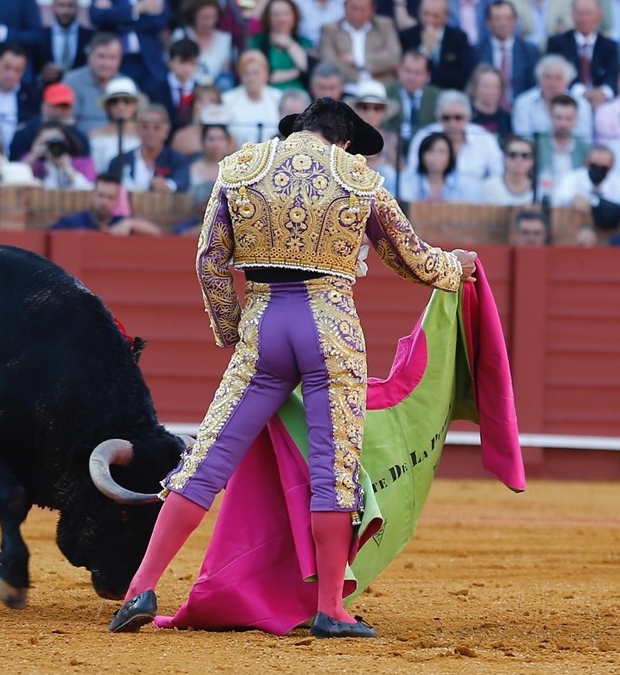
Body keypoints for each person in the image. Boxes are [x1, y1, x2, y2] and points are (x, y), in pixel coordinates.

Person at [107, 96, 476, 637]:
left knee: (207, 459)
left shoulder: (241, 168)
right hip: (330, 326)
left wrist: (233, 332)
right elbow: (410, 258)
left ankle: (140, 588)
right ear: (345, 139)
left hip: (264, 323)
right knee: (334, 468)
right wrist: (456, 267)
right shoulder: (358, 177)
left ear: (298, 130)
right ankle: (331, 607)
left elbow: (210, 259)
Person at [405, 90, 504, 197]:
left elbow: (497, 176)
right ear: (438, 118)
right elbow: (412, 175)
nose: (452, 123)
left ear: (468, 117)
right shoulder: (424, 136)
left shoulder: (484, 138)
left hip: (475, 204)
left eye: (458, 117)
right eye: (446, 118)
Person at [544, 0, 619, 108]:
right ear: (572, 15)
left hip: (602, 104)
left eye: (588, 13)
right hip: (567, 104)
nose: (584, 19)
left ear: (599, 16)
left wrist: (603, 93)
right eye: (580, 13)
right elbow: (555, 75)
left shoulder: (610, 45)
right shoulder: (557, 43)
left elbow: (612, 74)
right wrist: (583, 93)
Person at [107, 104, 191, 193]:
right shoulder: (119, 161)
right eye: (145, 127)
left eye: (157, 127)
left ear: (166, 131)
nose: (150, 132)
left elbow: (182, 181)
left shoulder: (178, 159)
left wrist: (168, 185)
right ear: (137, 129)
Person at [510, 54, 594, 141]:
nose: (553, 84)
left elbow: (584, 141)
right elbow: (523, 139)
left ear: (567, 82)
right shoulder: (524, 103)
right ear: (539, 80)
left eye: (558, 78)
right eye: (548, 77)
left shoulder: (581, 105)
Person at [317, 0, 401, 86]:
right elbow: (329, 62)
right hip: (346, 86)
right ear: (345, 6)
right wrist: (360, 76)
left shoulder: (385, 26)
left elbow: (394, 58)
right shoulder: (330, 30)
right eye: (353, 8)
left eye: (362, 9)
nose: (357, 14)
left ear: (372, 9)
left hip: (383, 85)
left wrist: (358, 59)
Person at [475, 0, 540, 109]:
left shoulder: (529, 51)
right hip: (488, 112)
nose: (503, 24)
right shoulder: (477, 51)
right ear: (488, 23)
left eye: (507, 18)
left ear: (515, 21)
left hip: (521, 109)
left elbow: (533, 86)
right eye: (497, 19)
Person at [399, 0, 476, 90]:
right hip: (416, 91)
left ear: (446, 16)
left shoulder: (459, 38)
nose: (429, 20)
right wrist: (425, 50)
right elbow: (406, 70)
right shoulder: (407, 36)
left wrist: (432, 78)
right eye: (426, 14)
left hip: (448, 92)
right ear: (419, 13)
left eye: (435, 16)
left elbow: (464, 74)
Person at [49, 172, 161, 235]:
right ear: (91, 196)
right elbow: (53, 235)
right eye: (101, 195)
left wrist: (130, 224)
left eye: (110, 198)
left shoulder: (120, 222)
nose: (104, 202)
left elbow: (156, 233)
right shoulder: (73, 222)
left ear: (117, 201)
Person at [9, 82, 90, 162]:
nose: (59, 111)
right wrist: (33, 155)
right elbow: (15, 162)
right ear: (44, 105)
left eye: (64, 107)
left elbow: (85, 164)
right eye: (55, 106)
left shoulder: (78, 137)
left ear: (71, 109)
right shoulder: (27, 131)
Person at [62, 33, 123, 134]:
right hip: (82, 144)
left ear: (120, 60)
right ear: (89, 56)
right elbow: (67, 120)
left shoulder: (125, 84)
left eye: (112, 58)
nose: (106, 64)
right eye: (101, 57)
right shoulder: (72, 81)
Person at [27, 0, 95, 86]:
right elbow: (33, 72)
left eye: (70, 6)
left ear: (78, 8)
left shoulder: (90, 37)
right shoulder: (40, 37)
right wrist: (42, 76)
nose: (65, 11)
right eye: (61, 6)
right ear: (53, 7)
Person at [222, 51, 283, 146]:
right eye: (246, 74)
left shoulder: (278, 97)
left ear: (266, 74)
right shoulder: (228, 99)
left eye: (256, 73)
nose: (252, 78)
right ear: (241, 76)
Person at [170, 0, 235, 88]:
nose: (209, 22)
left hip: (215, 91)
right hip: (187, 88)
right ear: (193, 16)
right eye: (204, 17)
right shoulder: (181, 35)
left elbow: (225, 71)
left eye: (213, 17)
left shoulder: (225, 39)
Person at [250, 0, 312, 91]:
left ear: (294, 16)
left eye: (286, 14)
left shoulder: (304, 42)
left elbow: (308, 68)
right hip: (267, 94)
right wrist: (295, 73)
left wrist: (289, 44)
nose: (282, 19)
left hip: (299, 96)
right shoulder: (257, 42)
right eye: (276, 14)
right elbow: (258, 75)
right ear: (268, 17)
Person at [88, 76, 142, 175]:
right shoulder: (95, 135)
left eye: (127, 101)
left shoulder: (145, 134)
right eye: (114, 101)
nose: (121, 106)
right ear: (107, 107)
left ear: (135, 105)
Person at [20, 120, 96, 190]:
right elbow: (17, 183)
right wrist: (33, 156)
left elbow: (90, 190)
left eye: (57, 141)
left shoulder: (84, 163)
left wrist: (67, 168)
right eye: (47, 142)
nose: (53, 146)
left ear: (66, 141)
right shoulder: (36, 164)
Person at [398, 131, 463, 202]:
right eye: (430, 151)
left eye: (442, 152)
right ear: (421, 155)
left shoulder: (460, 185)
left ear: (450, 156)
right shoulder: (408, 182)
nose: (436, 157)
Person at [481, 135, 538, 205]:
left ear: (532, 160)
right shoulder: (489, 188)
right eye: (512, 155)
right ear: (504, 158)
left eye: (525, 155)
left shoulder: (539, 188)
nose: (519, 160)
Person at [169, 84, 223, 157]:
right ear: (193, 106)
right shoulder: (181, 137)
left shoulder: (230, 140)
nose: (206, 105)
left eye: (212, 101)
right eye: (200, 100)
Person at [188, 118, 234, 193]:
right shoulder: (193, 169)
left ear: (228, 142)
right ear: (203, 142)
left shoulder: (235, 170)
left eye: (221, 139)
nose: (216, 145)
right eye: (211, 139)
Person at [467, 65, 512, 136]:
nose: (491, 91)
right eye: (486, 87)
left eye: (496, 87)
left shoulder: (507, 118)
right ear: (475, 88)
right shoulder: (465, 117)